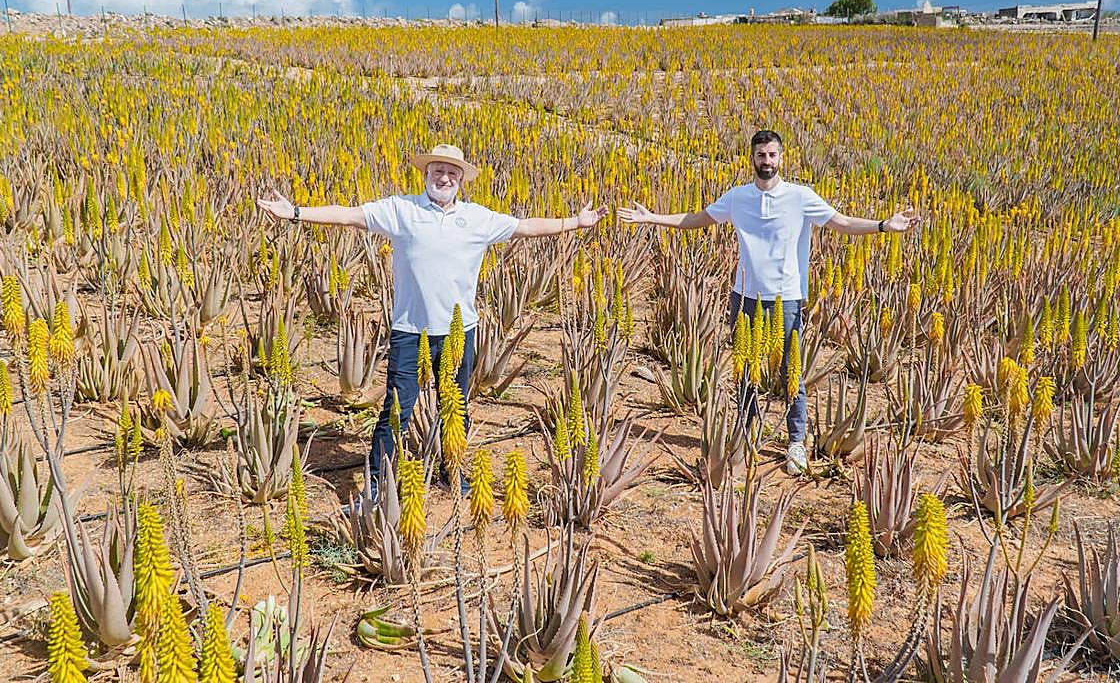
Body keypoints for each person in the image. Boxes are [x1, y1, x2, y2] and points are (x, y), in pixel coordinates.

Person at [257, 143, 605, 495]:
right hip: (411, 332)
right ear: (426, 175)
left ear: (461, 181)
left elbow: (526, 227)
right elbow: (350, 215)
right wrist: (296, 213)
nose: (445, 178)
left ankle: (451, 471)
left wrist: (576, 222)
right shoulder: (402, 209)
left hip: (459, 331)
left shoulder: (478, 218)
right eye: (438, 171)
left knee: (456, 409)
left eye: (452, 173)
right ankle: (379, 482)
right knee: (397, 408)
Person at [619, 129, 919, 474]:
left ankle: (795, 442)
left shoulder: (800, 196)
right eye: (761, 155)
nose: (767, 161)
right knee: (746, 369)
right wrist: (652, 217)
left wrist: (884, 225)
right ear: (752, 158)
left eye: (772, 155)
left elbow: (843, 222)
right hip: (745, 297)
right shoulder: (737, 197)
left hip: (787, 299)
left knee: (791, 371)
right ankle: (747, 435)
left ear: (781, 157)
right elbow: (697, 219)